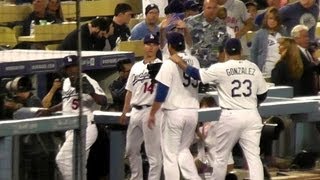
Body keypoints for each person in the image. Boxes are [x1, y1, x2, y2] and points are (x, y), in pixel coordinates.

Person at [169, 38, 268, 180]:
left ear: (225, 53)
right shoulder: (253, 67)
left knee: (221, 156)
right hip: (252, 114)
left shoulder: (221, 68)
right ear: (240, 51)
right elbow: (263, 94)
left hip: (231, 115)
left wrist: (180, 62)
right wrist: (251, 105)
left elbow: (197, 75)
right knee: (253, 157)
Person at [37, 55, 108, 179]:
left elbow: (103, 101)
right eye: (68, 67)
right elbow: (66, 102)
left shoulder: (88, 80)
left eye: (74, 66)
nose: (71, 70)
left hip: (85, 128)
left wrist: (90, 91)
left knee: (62, 160)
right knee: (79, 165)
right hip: (70, 128)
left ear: (79, 66)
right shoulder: (66, 82)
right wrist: (50, 110)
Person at [148, 32, 201, 180]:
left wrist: (152, 113)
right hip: (192, 112)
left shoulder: (169, 63)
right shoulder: (194, 60)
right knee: (183, 150)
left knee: (170, 155)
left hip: (174, 112)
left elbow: (161, 93)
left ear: (170, 46)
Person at [119, 34, 163, 180]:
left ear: (158, 47)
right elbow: (129, 91)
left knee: (153, 153)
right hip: (135, 112)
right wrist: (125, 112)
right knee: (131, 150)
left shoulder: (162, 66)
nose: (150, 47)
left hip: (152, 111)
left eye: (153, 44)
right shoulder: (136, 66)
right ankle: (136, 177)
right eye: (147, 44)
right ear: (143, 46)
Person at [186, 0, 228, 67]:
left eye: (214, 8)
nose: (212, 10)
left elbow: (222, 49)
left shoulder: (221, 25)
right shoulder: (191, 22)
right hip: (195, 66)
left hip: (213, 68)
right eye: (209, 8)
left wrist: (221, 67)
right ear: (203, 8)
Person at [250, 7, 287, 77]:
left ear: (278, 21)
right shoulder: (259, 34)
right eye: (270, 18)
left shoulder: (283, 33)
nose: (272, 21)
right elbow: (253, 53)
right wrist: (254, 71)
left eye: (275, 19)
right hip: (265, 70)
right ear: (266, 19)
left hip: (281, 70)